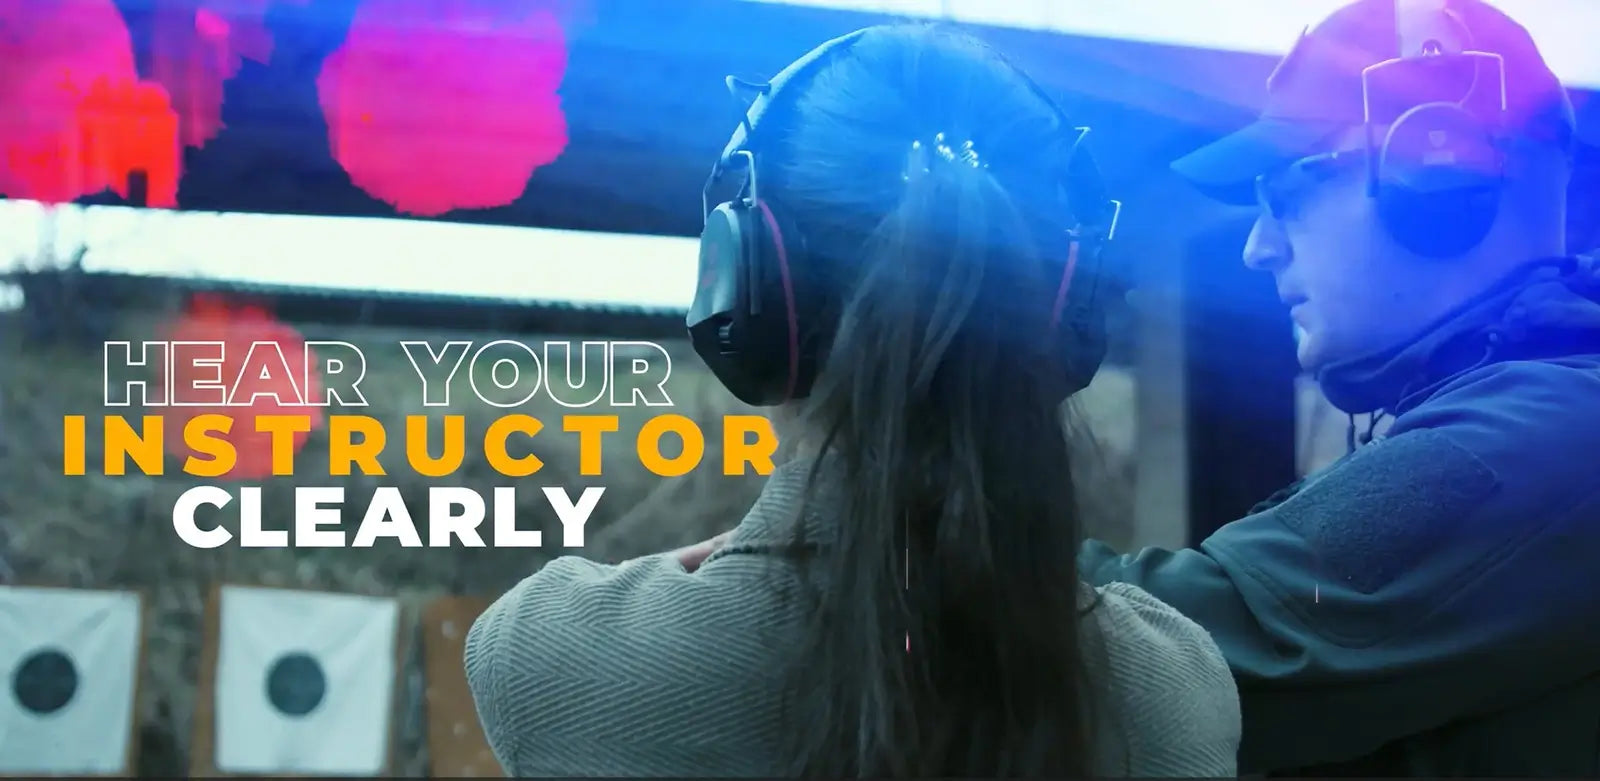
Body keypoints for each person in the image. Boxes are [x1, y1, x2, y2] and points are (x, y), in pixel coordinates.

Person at [465, 23, 1240, 778]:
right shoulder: (1174, 688)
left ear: (750, 286)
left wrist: (755, 550)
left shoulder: (550, 653)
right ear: (1066, 316)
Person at [1082, 0, 1600, 775]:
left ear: (1437, 166)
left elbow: (1140, 661)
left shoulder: (1549, 439)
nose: (1259, 248)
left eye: (1287, 192)